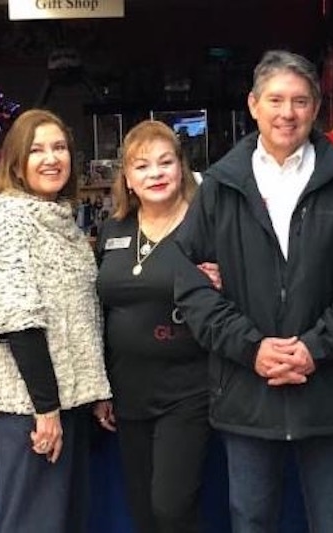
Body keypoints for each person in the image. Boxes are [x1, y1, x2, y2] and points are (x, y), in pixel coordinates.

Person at [174, 50, 333, 533]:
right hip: (248, 390)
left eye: (299, 101)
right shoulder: (220, 186)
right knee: (250, 519)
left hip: (330, 389)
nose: (287, 113)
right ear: (253, 105)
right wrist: (251, 348)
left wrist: (316, 347)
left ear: (317, 108)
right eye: (275, 99)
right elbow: (190, 284)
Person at [0, 108, 111, 533]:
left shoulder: (60, 218)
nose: (51, 158)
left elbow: (82, 316)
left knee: (65, 521)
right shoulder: (10, 218)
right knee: (35, 523)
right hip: (30, 405)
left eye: (59, 148)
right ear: (16, 162)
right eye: (37, 150)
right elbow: (17, 318)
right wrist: (45, 408)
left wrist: (96, 389)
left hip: (69, 400)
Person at [93, 120, 209, 533]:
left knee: (172, 507)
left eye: (165, 162)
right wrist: (100, 387)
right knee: (142, 510)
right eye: (142, 166)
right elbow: (100, 310)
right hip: (127, 392)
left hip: (188, 390)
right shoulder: (114, 229)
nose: (155, 174)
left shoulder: (205, 227)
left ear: (182, 168)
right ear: (127, 177)